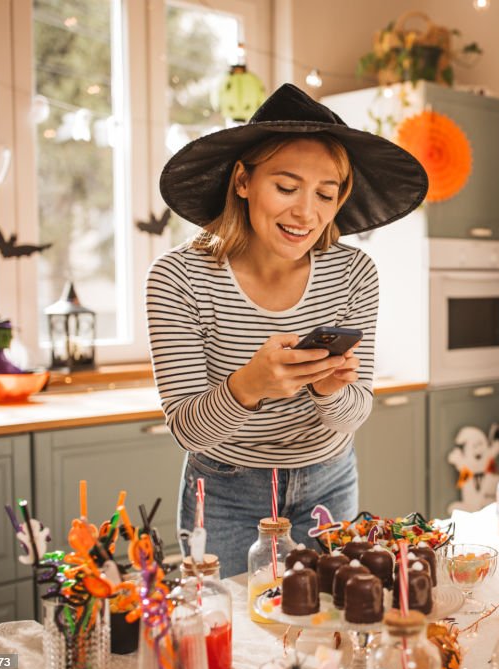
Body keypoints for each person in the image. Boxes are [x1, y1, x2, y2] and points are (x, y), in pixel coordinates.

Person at [147, 84, 427, 576]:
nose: (307, 213)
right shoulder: (179, 279)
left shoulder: (353, 273)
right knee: (235, 635)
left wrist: (326, 390)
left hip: (329, 480)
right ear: (242, 181)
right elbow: (188, 429)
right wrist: (248, 386)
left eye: (325, 194)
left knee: (329, 629)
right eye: (286, 186)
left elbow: (354, 413)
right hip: (227, 491)